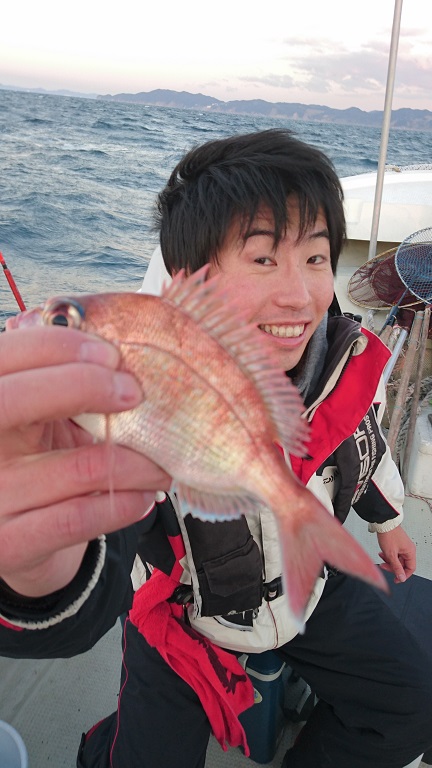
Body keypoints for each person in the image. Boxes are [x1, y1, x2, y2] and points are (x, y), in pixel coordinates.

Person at [0, 129, 431, 768]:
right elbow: (94, 566)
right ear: (188, 281)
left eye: (315, 259)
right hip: (187, 616)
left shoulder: (344, 358)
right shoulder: (132, 396)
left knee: (412, 704)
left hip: (306, 590)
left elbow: (360, 441)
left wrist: (388, 519)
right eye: (262, 259)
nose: (299, 294)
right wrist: (35, 580)